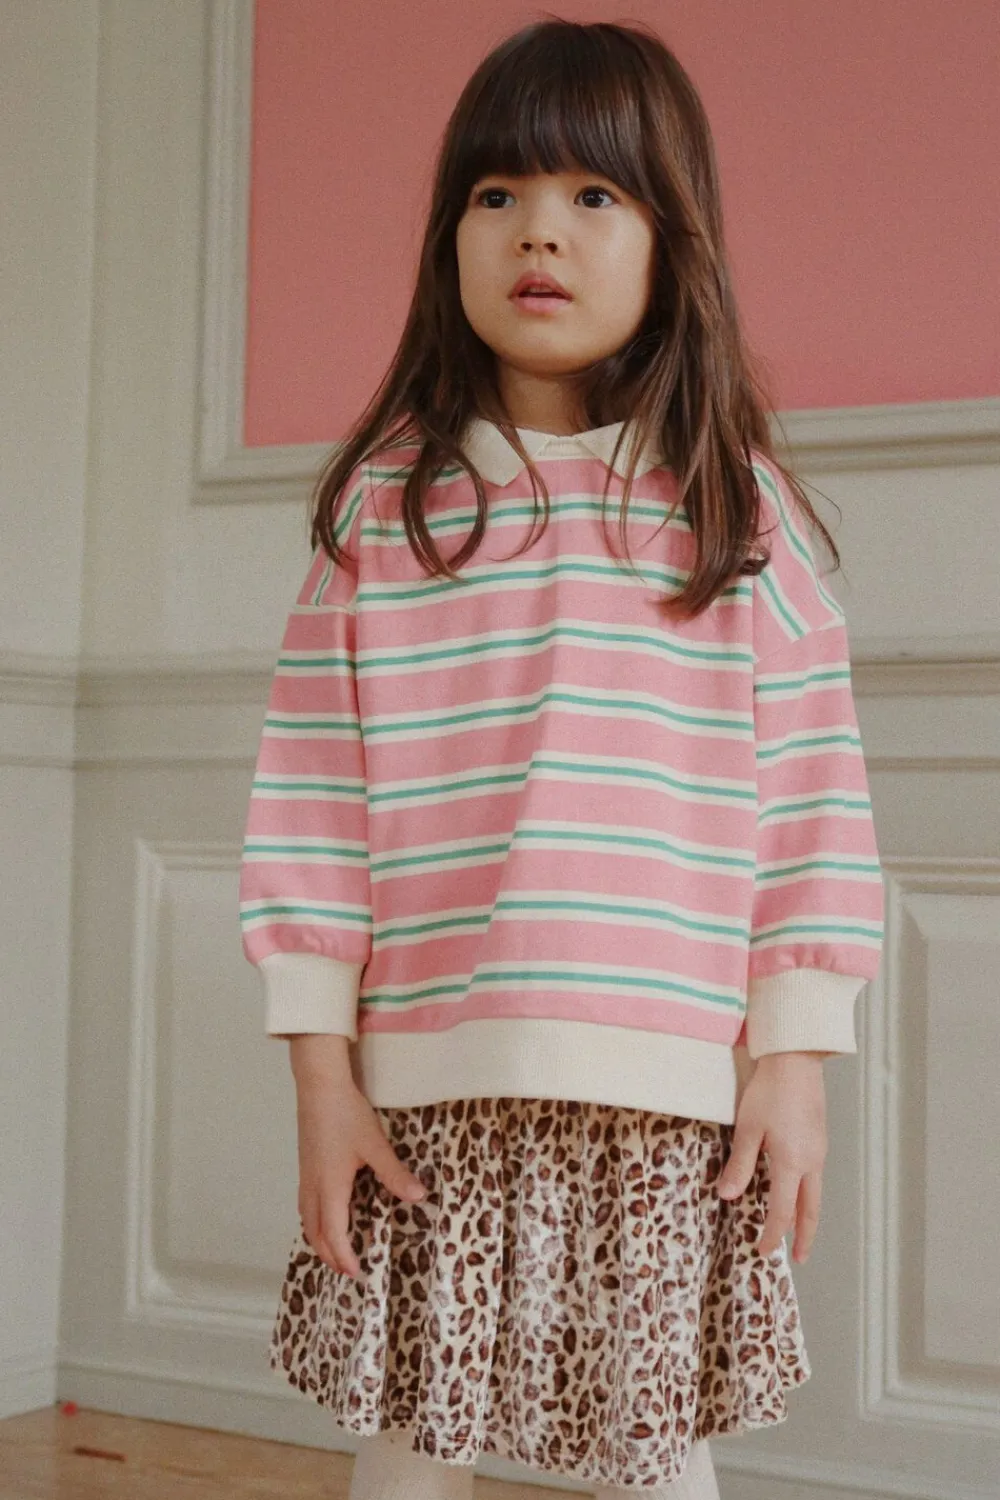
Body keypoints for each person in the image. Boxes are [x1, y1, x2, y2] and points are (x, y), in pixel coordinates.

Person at [238, 17, 885, 1500]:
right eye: (498, 193)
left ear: (672, 242)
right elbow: (313, 815)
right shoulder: (386, 519)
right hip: (426, 1090)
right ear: (450, 238)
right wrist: (323, 1080)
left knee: (653, 1455)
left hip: (666, 1093)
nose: (541, 229)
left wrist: (792, 1060)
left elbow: (811, 804)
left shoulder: (737, 515)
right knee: (412, 1440)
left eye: (595, 194)